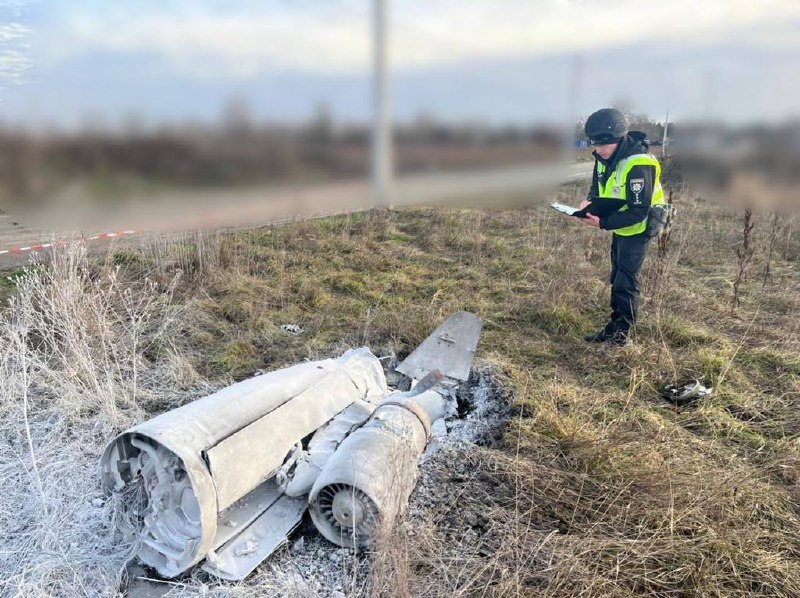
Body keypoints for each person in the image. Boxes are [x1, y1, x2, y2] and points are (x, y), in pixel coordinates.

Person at [578, 108, 668, 346]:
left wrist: (603, 222)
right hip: (620, 226)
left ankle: (621, 334)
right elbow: (598, 187)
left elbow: (639, 211)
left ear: (618, 139)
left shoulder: (639, 164)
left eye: (603, 145)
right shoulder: (604, 158)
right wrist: (589, 203)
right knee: (617, 274)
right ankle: (615, 323)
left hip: (639, 227)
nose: (598, 150)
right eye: (594, 144)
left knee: (626, 280)